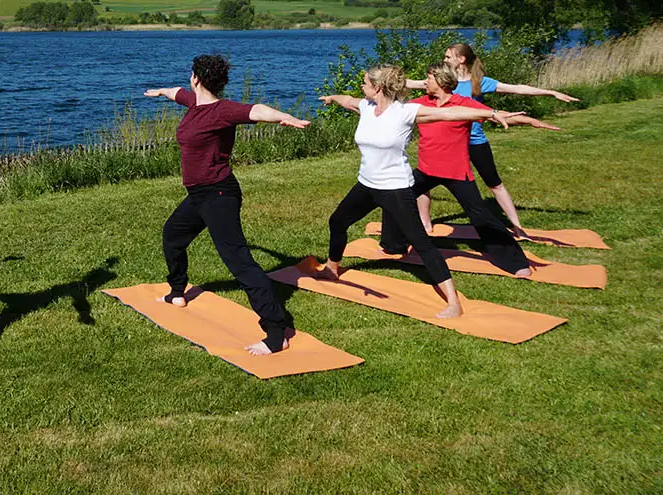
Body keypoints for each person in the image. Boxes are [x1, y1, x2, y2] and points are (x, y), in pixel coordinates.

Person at [318, 64, 523, 318]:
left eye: (365, 83)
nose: (362, 86)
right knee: (337, 221)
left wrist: (491, 113)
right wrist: (331, 97)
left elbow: (451, 114)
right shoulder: (366, 107)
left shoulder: (405, 112)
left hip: (395, 188)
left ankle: (453, 302)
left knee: (421, 243)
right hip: (366, 184)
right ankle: (331, 268)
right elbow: (346, 99)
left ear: (378, 87)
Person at [143, 54, 311, 355]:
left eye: (191, 74)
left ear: (196, 78)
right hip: (199, 195)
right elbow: (175, 93)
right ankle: (177, 292)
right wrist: (159, 92)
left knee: (239, 261)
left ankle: (277, 332)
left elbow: (257, 110)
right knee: (173, 236)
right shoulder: (194, 103)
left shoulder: (222, 111)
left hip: (218, 195)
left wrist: (284, 117)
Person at [388, 63, 562, 277]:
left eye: (429, 78)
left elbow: (496, 115)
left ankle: (515, 262)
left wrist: (530, 121)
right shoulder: (421, 104)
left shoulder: (463, 104)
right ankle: (393, 244)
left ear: (441, 81)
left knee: (481, 216)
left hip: (456, 172)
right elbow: (391, 111)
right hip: (426, 170)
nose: (425, 82)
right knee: (395, 198)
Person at [409, 43, 578, 237]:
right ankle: (425, 224)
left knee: (494, 183)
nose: (444, 59)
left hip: (474, 140)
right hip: (446, 143)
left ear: (461, 59)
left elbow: (517, 89)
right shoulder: (437, 80)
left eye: (448, 57)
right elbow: (404, 83)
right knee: (425, 177)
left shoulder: (478, 82)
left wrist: (549, 92)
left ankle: (517, 227)